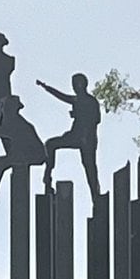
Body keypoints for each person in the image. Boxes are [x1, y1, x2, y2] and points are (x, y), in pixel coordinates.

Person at [37, 74, 102, 202]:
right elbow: (61, 96)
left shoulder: (90, 101)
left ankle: (96, 195)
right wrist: (46, 87)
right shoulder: (77, 100)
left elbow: (96, 119)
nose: (74, 88)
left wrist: (82, 126)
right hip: (75, 135)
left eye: (76, 84)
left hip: (87, 139)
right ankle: (48, 176)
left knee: (89, 166)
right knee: (50, 144)